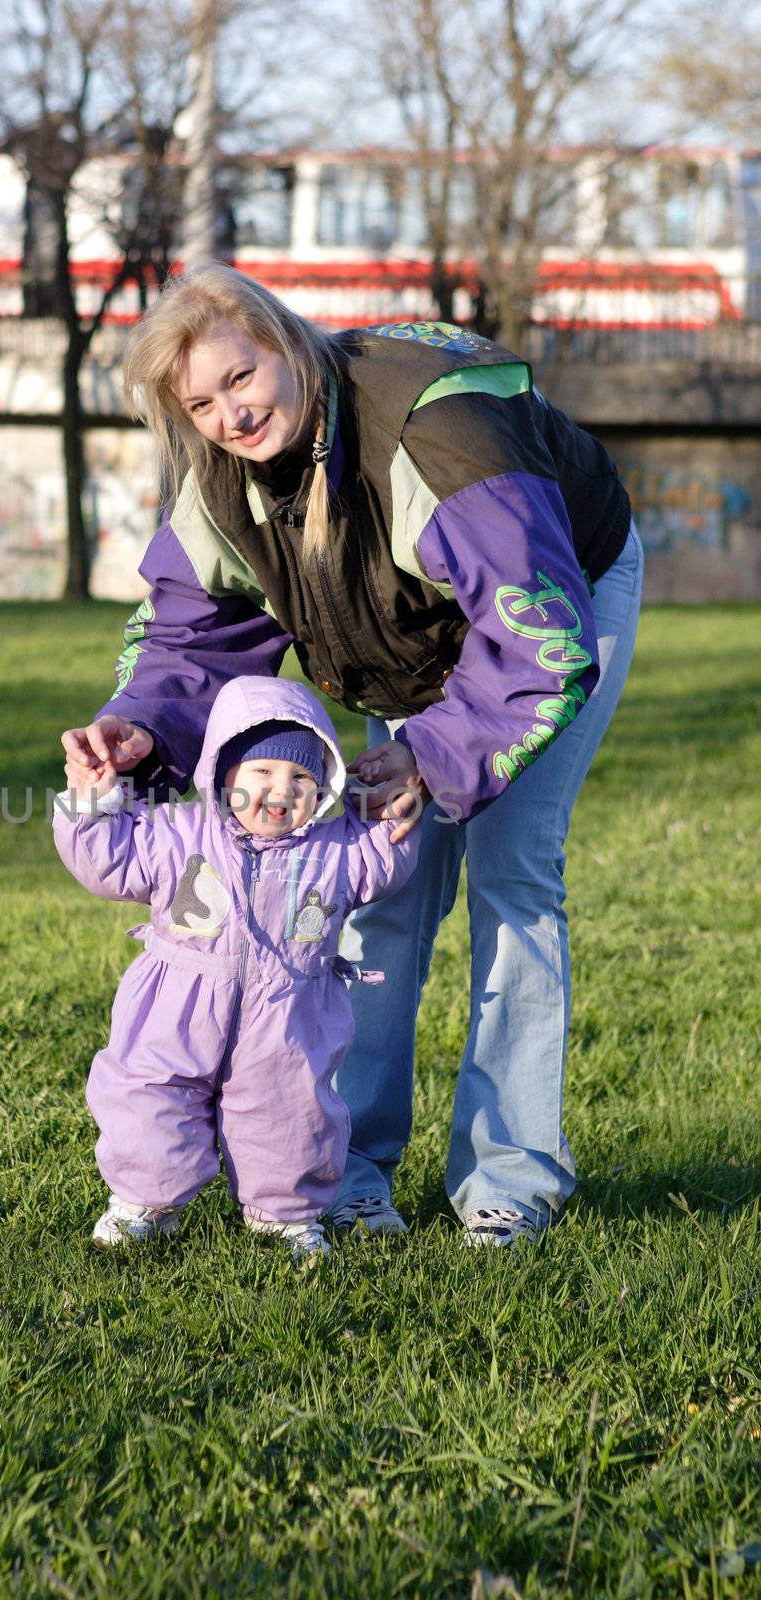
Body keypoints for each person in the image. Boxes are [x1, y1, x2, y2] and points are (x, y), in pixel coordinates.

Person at [62, 262, 644, 1247]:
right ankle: (347, 1165)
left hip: (550, 602)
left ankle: (508, 1178)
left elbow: (536, 640)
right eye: (200, 403)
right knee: (375, 889)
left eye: (239, 379)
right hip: (406, 638)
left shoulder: (438, 433)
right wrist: (140, 726)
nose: (228, 415)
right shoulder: (224, 476)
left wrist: (433, 752)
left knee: (511, 868)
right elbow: (187, 636)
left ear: (286, 344)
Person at [53, 675, 417, 1259]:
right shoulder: (177, 833)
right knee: (150, 1096)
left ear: (323, 788)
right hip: (177, 1003)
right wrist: (93, 804)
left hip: (289, 1010)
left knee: (291, 1109)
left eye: (302, 777)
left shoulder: (336, 846)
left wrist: (385, 815)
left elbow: (383, 864)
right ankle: (145, 1200)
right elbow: (109, 862)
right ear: (224, 774)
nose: (282, 789)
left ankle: (287, 1212)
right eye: (263, 772)